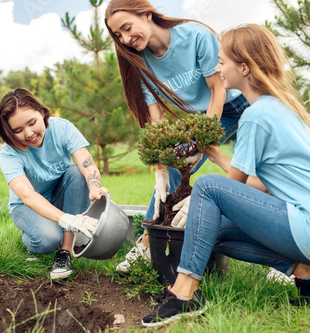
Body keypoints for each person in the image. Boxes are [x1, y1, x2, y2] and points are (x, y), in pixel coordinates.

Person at [141, 24, 310, 327]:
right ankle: (305, 272)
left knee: (205, 186)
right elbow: (262, 186)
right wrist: (214, 154)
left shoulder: (255, 117)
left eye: (222, 61)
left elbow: (227, 188)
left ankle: (183, 294)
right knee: (209, 232)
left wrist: (198, 199)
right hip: (299, 224)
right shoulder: (280, 107)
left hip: (303, 224)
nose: (216, 67)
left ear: (244, 67)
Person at [104, 0, 249, 272]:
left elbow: (218, 91)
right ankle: (146, 245)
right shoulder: (140, 60)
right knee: (173, 167)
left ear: (146, 14)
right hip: (205, 115)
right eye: (118, 36)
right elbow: (155, 117)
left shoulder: (194, 35)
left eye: (127, 28)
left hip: (239, 102)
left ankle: (289, 259)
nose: (125, 39)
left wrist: (203, 141)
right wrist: (160, 166)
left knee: (262, 171)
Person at [0, 88, 109, 279]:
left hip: (60, 195)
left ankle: (65, 251)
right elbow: (27, 195)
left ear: (41, 112)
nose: (29, 133)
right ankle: (32, 240)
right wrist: (66, 218)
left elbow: (86, 164)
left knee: (76, 171)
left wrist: (94, 187)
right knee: (48, 240)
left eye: (32, 123)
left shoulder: (62, 128)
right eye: (18, 130)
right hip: (27, 207)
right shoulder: (9, 154)